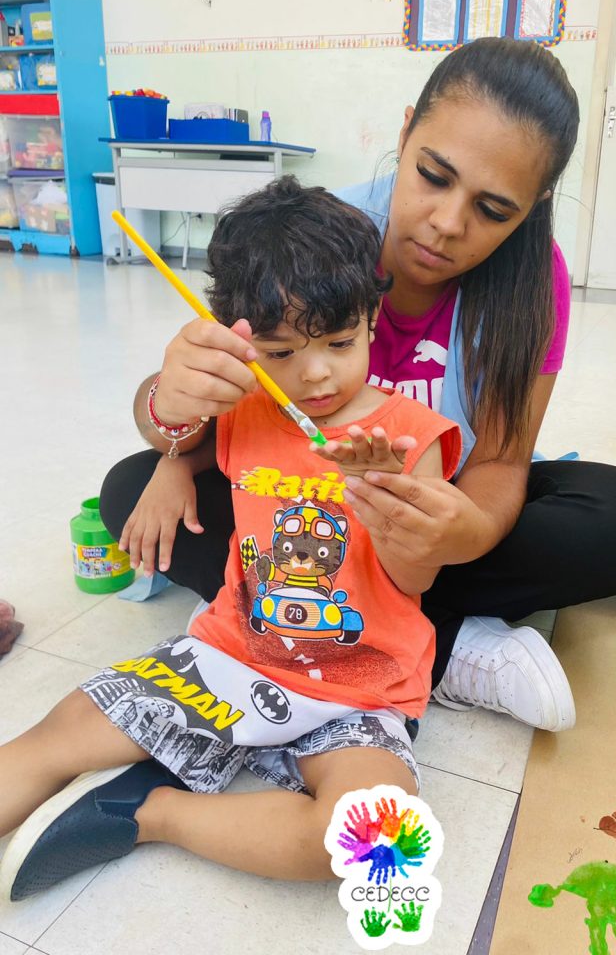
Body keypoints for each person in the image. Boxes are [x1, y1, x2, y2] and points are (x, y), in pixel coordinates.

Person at [99, 37, 616, 730]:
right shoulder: (313, 240)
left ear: (535, 203)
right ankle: (443, 643)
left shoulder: (533, 281)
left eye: (494, 210)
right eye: (433, 175)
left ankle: (332, 617)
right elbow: (220, 418)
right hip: (296, 505)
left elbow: (501, 462)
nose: (447, 224)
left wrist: (460, 532)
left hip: (430, 519)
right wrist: (172, 426)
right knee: (130, 489)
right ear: (404, 134)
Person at [0, 176, 470, 901]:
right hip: (231, 653)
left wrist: (387, 507)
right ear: (238, 342)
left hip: (363, 687)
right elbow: (176, 428)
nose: (315, 373)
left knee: (372, 837)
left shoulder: (413, 436)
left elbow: (416, 583)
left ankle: (149, 812)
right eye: (279, 353)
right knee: (58, 738)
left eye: (340, 342)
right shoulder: (243, 408)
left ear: (373, 318)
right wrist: (171, 457)